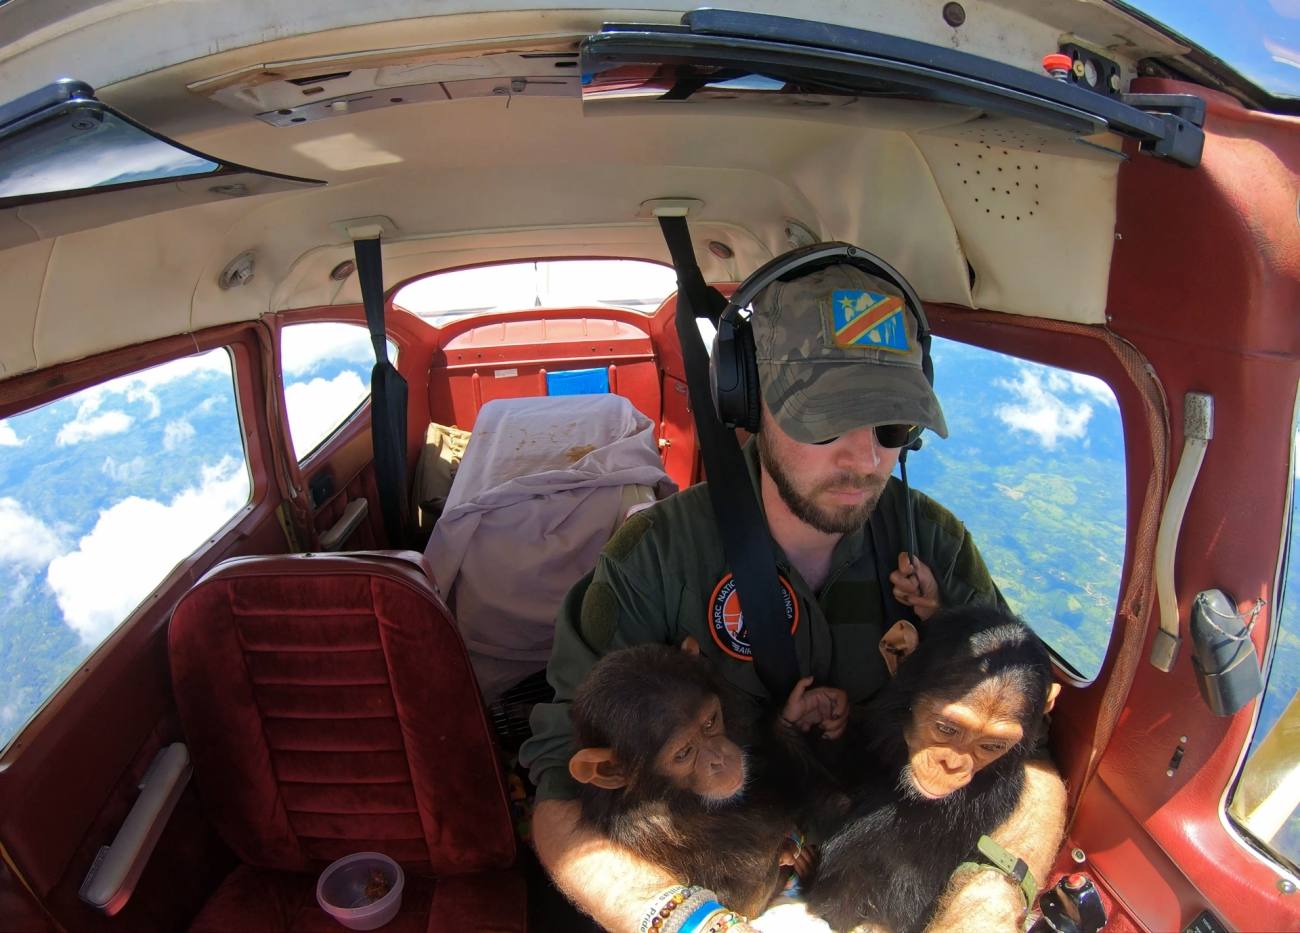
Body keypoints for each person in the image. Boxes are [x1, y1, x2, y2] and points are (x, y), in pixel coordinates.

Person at [519, 254, 1067, 932]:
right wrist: (674, 916)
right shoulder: (654, 558)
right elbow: (562, 781)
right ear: (749, 400)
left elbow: (1024, 754)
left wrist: (986, 903)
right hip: (703, 872)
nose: (864, 459)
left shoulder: (937, 547)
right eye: (826, 421)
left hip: (880, 876)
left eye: (891, 428)